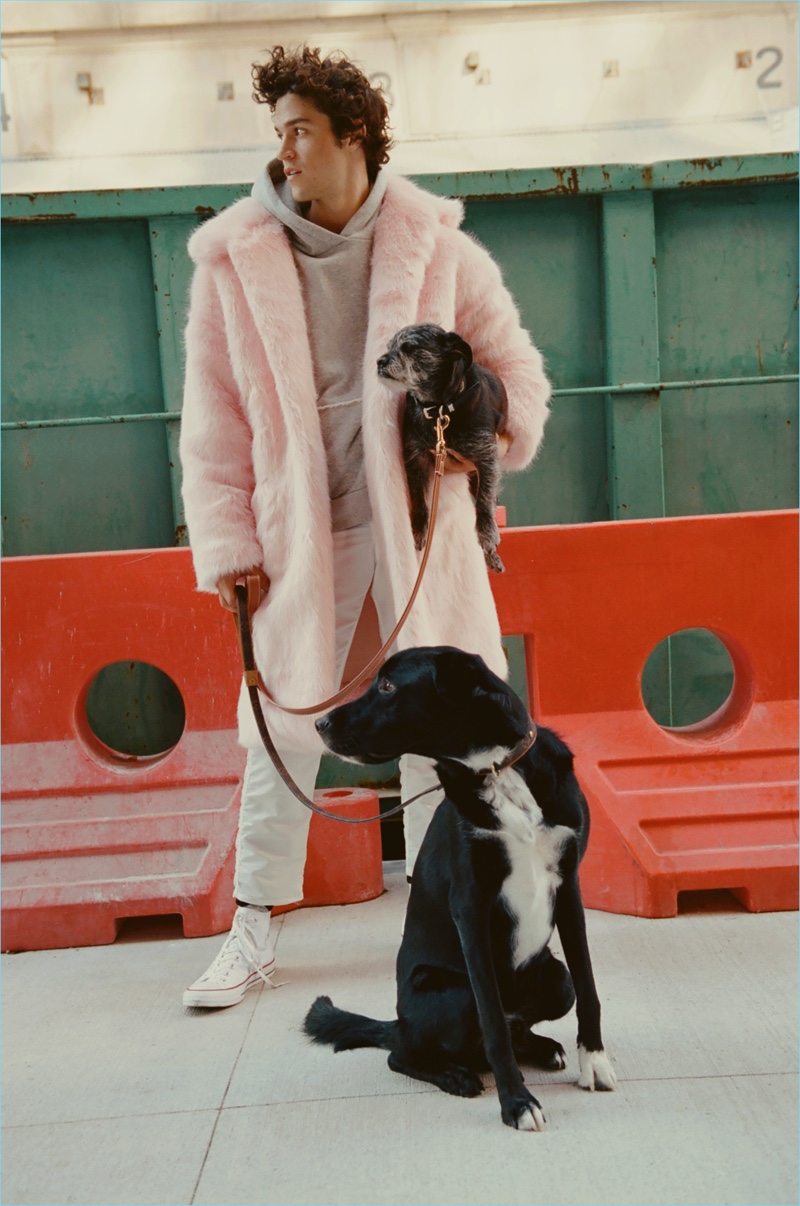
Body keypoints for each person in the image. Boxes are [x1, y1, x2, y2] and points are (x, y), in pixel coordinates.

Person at [179, 45, 551, 1008]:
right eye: (279, 133)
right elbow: (214, 422)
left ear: (355, 134)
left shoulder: (440, 247)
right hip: (299, 537)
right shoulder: (232, 261)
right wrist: (229, 547)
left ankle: (453, 931)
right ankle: (252, 930)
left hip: (421, 539)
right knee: (282, 732)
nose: (285, 151)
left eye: (301, 130)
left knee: (442, 733)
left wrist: (477, 434)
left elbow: (519, 383)